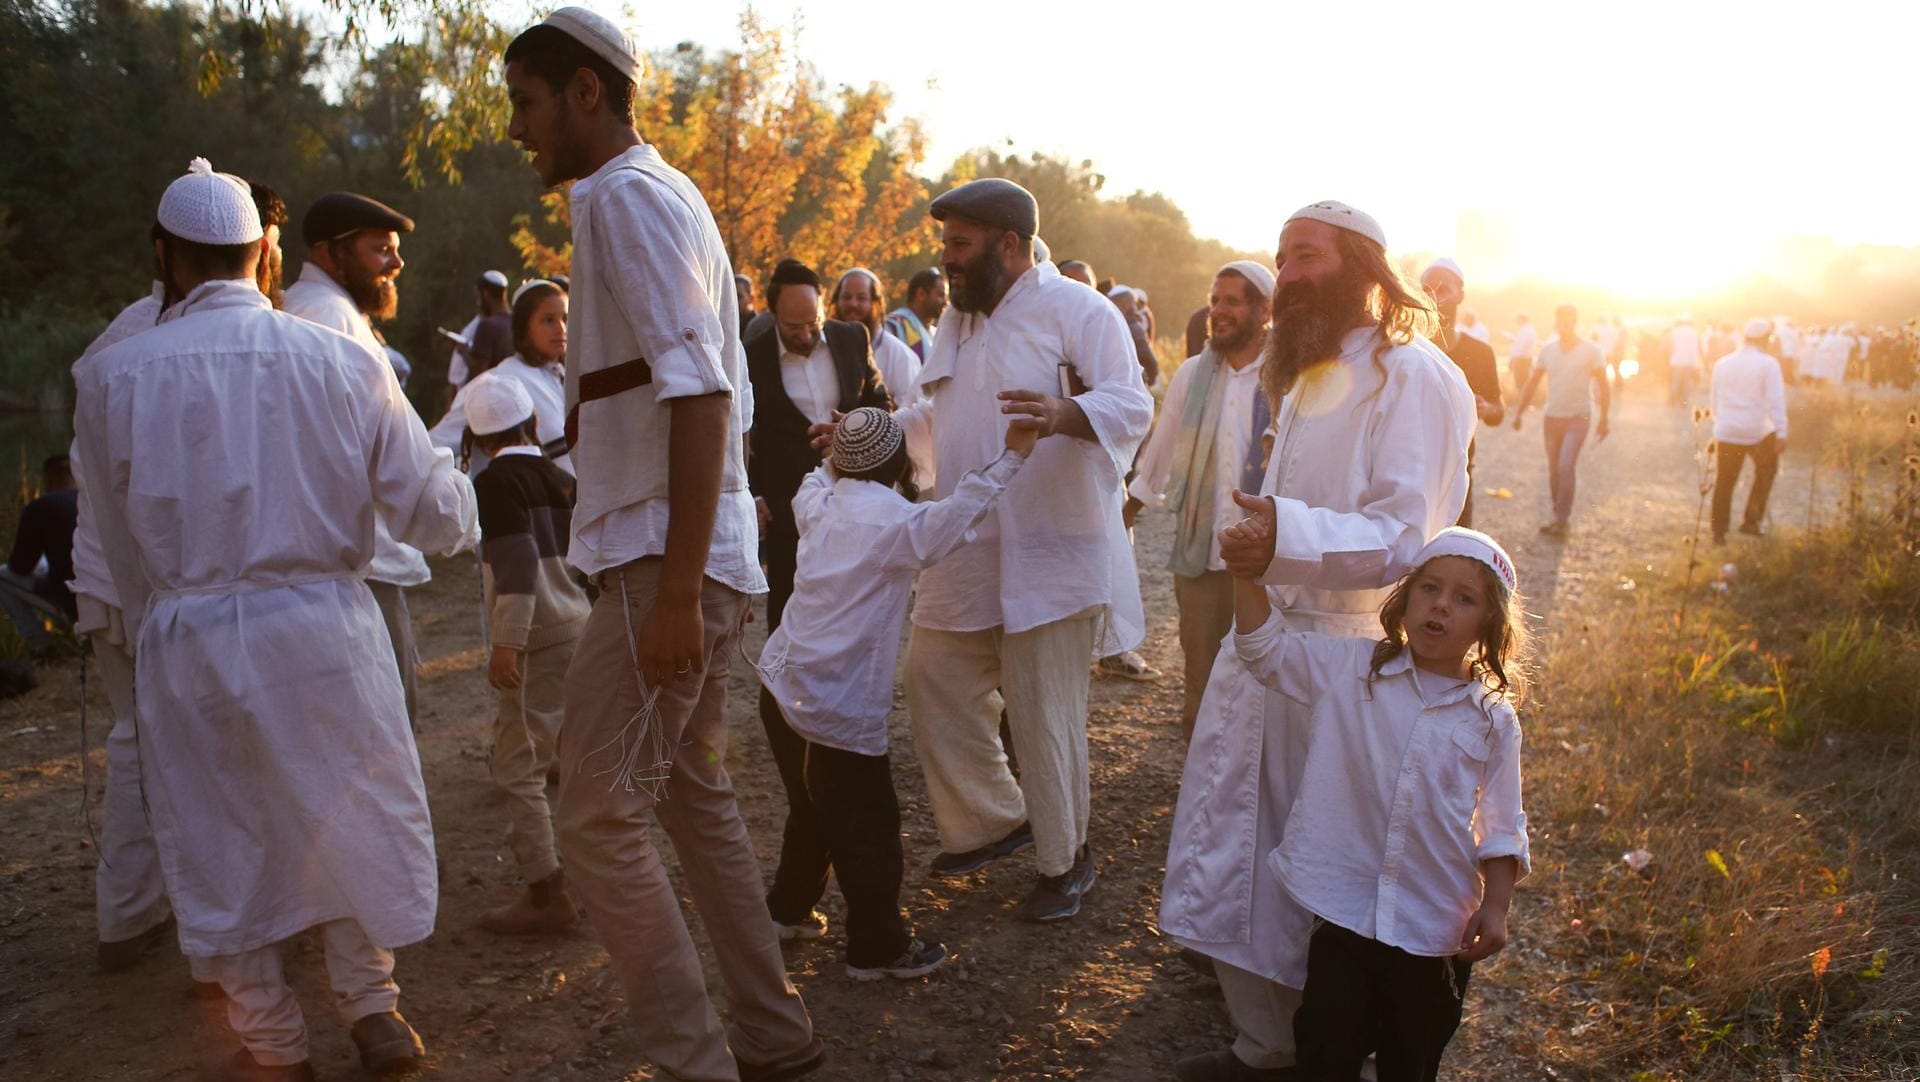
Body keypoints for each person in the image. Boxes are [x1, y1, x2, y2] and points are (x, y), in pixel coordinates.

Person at [73, 157, 478, 1082]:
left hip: (186, 632)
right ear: (266, 254)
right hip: (325, 629)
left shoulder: (108, 375)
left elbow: (118, 530)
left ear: (168, 260)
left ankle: (271, 1041)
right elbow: (434, 513)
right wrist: (474, 494)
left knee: (225, 832)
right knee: (343, 811)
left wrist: (155, 631)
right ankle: (373, 1010)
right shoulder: (342, 358)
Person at [503, 11, 823, 1081]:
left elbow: (701, 392)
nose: (518, 129)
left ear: (587, 93)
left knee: (594, 819)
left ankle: (698, 1061)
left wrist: (678, 588)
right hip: (681, 555)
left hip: (665, 564)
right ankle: (776, 1035)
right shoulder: (646, 195)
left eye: (527, 103)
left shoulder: (633, 199)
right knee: (692, 791)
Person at [1162, 200, 1475, 1082]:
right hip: (1269, 640)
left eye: (1306, 256)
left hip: (1348, 659)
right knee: (1248, 845)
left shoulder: (1414, 376)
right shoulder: (1306, 369)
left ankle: (1326, 1052)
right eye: (1281, 257)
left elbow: (1407, 537)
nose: (1288, 274)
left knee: (1325, 865)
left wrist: (1284, 538)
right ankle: (1263, 1047)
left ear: (1366, 268)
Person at [814, 177, 1152, 923]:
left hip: (1053, 547)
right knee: (933, 674)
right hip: (966, 539)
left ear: (1009, 245)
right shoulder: (958, 325)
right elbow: (936, 415)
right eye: (945, 245)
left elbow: (1133, 402)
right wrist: (867, 432)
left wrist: (1067, 412)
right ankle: (996, 820)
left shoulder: (1077, 308)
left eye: (960, 246)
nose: (948, 262)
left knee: (1041, 710)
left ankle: (1066, 861)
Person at [69, 179, 288, 980]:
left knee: (172, 744)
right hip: (145, 580)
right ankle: (149, 921)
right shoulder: (143, 338)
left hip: (158, 580)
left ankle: (157, 917)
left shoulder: (138, 335)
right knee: (155, 744)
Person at [1224, 525, 1528, 1082]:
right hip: (1343, 914)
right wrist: (1246, 573)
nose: (1440, 605)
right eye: (1429, 588)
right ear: (1404, 599)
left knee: (1410, 1059)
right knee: (1325, 1045)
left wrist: (1497, 907)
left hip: (1433, 928)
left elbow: (1503, 825)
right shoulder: (1352, 671)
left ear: (1489, 623)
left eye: (1465, 599)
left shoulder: (1493, 720)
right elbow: (1264, 650)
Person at [757, 407, 1038, 980]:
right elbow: (964, 510)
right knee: (869, 823)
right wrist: (1015, 453)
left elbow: (813, 480)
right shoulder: (897, 525)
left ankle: (787, 911)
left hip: (782, 685)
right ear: (898, 464)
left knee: (812, 807)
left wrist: (833, 455)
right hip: (836, 702)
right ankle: (877, 947)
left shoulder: (821, 503)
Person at [745, 258, 892, 942]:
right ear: (772, 314)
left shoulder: (853, 341)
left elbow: (883, 412)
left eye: (813, 322)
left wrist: (854, 440)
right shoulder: (746, 347)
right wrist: (748, 499)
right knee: (793, 645)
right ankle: (804, 715)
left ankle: (794, 896)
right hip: (784, 523)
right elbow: (726, 434)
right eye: (793, 325)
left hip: (852, 513)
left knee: (837, 645)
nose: (806, 335)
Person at [282, 189, 435, 727]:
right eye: (380, 249)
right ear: (330, 252)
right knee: (384, 735)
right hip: (357, 571)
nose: (397, 262)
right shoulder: (326, 320)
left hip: (346, 566)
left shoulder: (325, 312)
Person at [1125, 261, 1275, 737]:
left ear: (1264, 309)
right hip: (1201, 548)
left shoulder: (1289, 375)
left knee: (1264, 675)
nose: (1219, 311)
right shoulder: (1193, 374)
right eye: (1215, 301)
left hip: (1268, 555)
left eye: (1232, 301)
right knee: (1201, 673)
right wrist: (1123, 517)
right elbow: (1162, 449)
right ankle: (1198, 782)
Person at [464, 373, 590, 936]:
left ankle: (546, 891)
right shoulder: (561, 477)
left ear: (477, 439)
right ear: (532, 424)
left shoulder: (495, 484)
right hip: (580, 626)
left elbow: (515, 565)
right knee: (577, 754)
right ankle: (600, 871)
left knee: (519, 767)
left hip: (536, 637)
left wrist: (507, 642)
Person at [432, 278, 573, 474]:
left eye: (565, 318)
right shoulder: (503, 382)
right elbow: (434, 447)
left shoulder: (564, 379)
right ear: (523, 327)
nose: (561, 329)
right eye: (548, 320)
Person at [1511, 304, 1610, 538]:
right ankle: (1557, 516)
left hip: (1579, 417)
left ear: (1575, 322)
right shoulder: (1548, 351)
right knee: (1555, 470)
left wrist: (1604, 418)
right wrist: (1518, 412)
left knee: (1566, 466)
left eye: (1568, 321)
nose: (1563, 325)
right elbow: (1532, 382)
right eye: (1560, 321)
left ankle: (1563, 520)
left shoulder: (1591, 351)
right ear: (1556, 322)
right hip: (1552, 418)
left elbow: (1604, 387)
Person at [1419, 258, 1505, 528]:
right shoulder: (1404, 349)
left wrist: (1485, 407)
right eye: (1426, 288)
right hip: (1405, 470)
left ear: (1461, 295)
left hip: (1458, 473)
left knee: (1454, 555)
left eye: (1443, 289)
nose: (1433, 296)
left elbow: (1497, 413)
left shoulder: (1480, 354)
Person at [1709, 318, 1789, 544]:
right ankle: (1751, 522)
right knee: (1765, 474)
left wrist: (1723, 421)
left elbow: (1714, 400)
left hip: (1727, 430)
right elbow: (1776, 400)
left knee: (1724, 481)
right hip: (1759, 430)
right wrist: (1781, 431)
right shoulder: (1768, 364)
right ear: (1765, 339)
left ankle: (1718, 532)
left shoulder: (1722, 363)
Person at [833, 266, 923, 408]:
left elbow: (910, 412)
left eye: (861, 298)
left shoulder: (900, 356)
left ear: (876, 304)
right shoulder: (824, 348)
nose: (853, 304)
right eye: (846, 297)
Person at [4, 455, 78, 624]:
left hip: (71, 598)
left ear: (47, 479)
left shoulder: (38, 507)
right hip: (109, 592)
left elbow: (20, 568)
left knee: (3, 577)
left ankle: (40, 644)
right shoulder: (93, 499)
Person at [883, 266, 948, 363]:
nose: (945, 302)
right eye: (940, 295)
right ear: (921, 294)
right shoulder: (894, 326)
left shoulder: (936, 334)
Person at [1667, 314, 1702, 405]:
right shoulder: (1694, 332)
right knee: (1686, 382)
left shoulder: (1675, 331)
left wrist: (1670, 359)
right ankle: (1684, 400)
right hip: (1689, 360)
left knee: (1675, 380)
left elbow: (1671, 346)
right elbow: (1695, 348)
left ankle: (1672, 399)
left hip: (1676, 360)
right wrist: (1696, 362)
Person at [1505, 312, 1537, 388]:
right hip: (1523, 359)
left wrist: (1513, 358)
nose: (1516, 321)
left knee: (1521, 381)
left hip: (1522, 360)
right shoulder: (1526, 330)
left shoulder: (1526, 330)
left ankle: (1521, 398)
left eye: (1517, 319)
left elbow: (1521, 347)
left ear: (1522, 320)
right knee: (1522, 381)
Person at [735, 271, 757, 338]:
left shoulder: (759, 327)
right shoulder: (726, 326)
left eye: (739, 296)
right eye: (731, 297)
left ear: (751, 298)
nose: (735, 302)